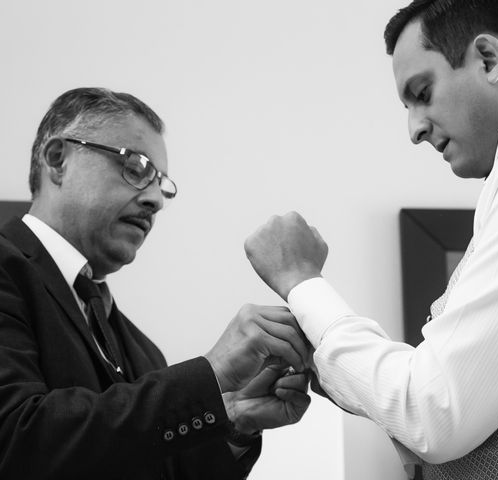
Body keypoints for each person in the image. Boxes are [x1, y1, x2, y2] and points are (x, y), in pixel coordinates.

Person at [244, 1, 498, 479]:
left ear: (489, 60)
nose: (414, 129)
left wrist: (301, 281)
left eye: (422, 93)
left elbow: (434, 412)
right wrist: (342, 368)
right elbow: (460, 408)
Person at [0, 87, 312, 480]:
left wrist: (234, 422)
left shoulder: (143, 351)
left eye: (160, 183)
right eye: (135, 166)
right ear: (58, 160)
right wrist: (211, 373)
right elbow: (15, 439)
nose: (155, 200)